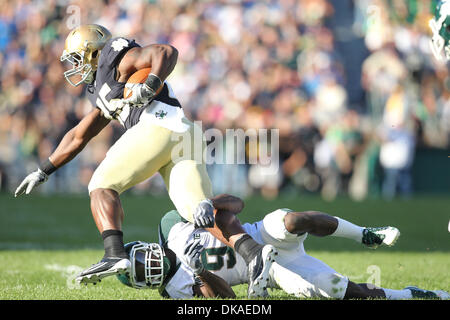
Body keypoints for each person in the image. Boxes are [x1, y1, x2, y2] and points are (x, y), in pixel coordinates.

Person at [13, 25, 275, 297]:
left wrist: (151, 83)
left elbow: (166, 51)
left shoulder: (116, 59)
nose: (75, 67)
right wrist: (43, 171)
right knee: (197, 211)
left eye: (78, 59)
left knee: (101, 185)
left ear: (93, 53)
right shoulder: (105, 87)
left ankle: (114, 253)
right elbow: (79, 135)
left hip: (157, 127)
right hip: (185, 134)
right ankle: (254, 253)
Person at [116, 194, 449, 300]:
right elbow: (230, 303)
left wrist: (206, 201)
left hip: (260, 236)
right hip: (268, 273)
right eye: (143, 271)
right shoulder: (174, 291)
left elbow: (236, 204)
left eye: (142, 258)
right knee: (339, 290)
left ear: (143, 245)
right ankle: (408, 295)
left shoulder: (172, 226)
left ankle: (364, 234)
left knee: (293, 221)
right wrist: (201, 271)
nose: (150, 264)